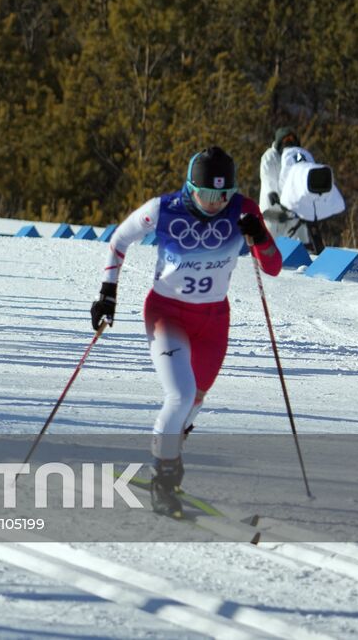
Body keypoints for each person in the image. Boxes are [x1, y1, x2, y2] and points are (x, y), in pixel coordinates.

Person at [90, 146, 283, 517]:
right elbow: (119, 240)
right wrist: (107, 293)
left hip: (213, 321)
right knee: (179, 396)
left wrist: (258, 235)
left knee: (195, 401)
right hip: (167, 313)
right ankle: (165, 478)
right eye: (206, 194)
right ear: (189, 187)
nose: (214, 203)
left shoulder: (242, 210)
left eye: (222, 195)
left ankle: (169, 454)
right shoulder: (163, 209)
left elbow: (272, 268)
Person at [274, 143, 346, 254]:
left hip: (304, 198)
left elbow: (285, 179)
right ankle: (316, 250)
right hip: (307, 198)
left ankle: (315, 250)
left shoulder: (288, 157)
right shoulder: (301, 155)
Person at [258, 127, 301, 240]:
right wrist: (272, 192)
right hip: (272, 207)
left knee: (291, 239)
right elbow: (268, 178)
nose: (289, 143)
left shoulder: (296, 156)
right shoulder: (269, 157)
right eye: (286, 140)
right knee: (271, 238)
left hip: (290, 207)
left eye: (291, 139)